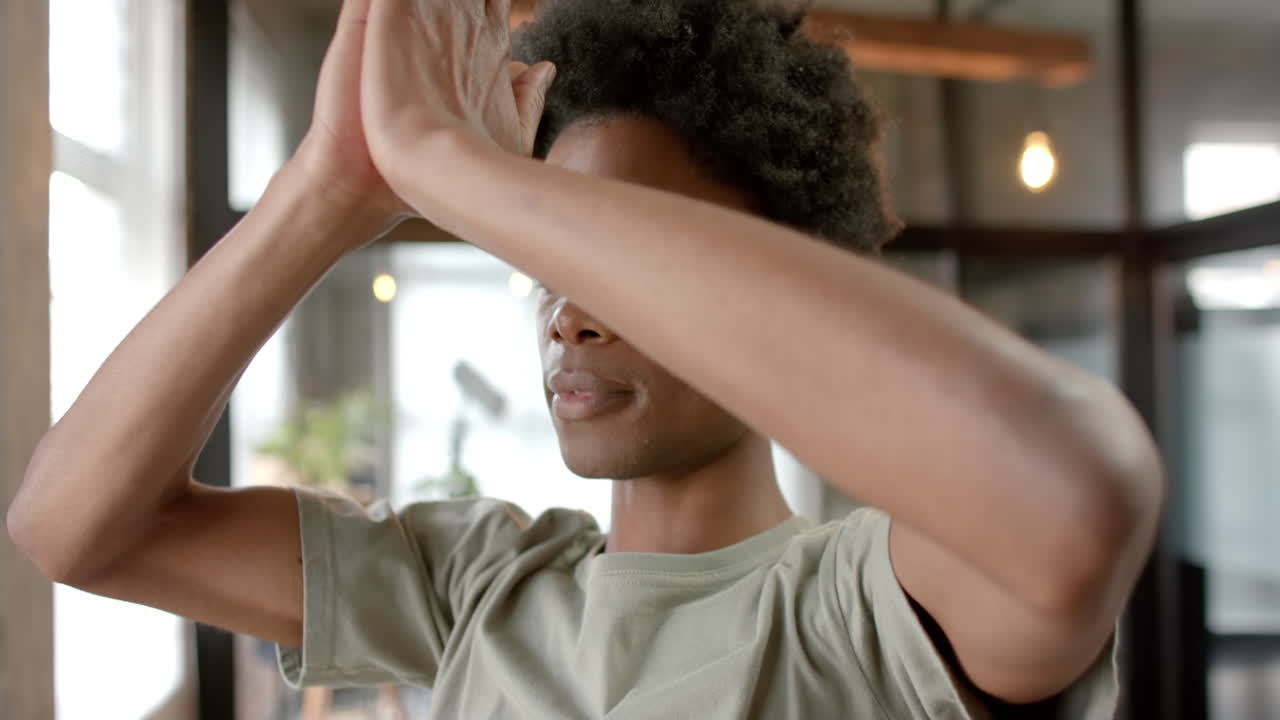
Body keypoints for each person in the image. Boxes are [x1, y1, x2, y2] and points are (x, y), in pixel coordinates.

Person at [8, 0, 1165, 717]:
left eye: (612, 259)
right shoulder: (476, 589)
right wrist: (328, 191)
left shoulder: (863, 607)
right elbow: (73, 524)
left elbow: (1074, 490)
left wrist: (452, 165)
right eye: (547, 259)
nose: (567, 314)